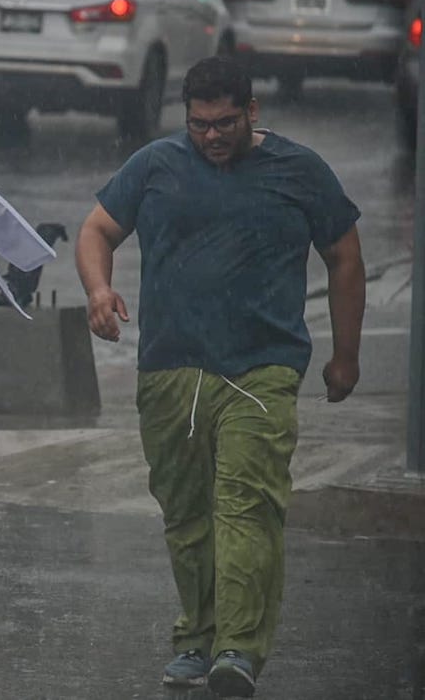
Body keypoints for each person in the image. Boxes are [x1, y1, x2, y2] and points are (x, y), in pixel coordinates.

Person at [75, 56, 365, 697]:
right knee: (186, 516)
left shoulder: (298, 170)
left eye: (226, 123)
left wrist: (346, 354)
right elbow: (97, 230)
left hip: (261, 369)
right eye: (200, 124)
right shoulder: (155, 165)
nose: (212, 136)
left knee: (246, 506)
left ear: (251, 112)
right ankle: (197, 639)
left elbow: (344, 255)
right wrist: (98, 289)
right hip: (170, 369)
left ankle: (238, 648)